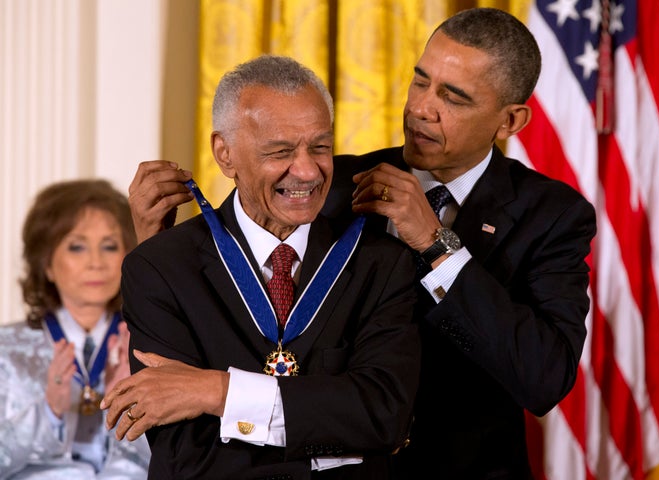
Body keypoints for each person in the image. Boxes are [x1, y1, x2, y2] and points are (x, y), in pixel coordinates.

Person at [120, 8, 597, 479]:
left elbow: (543, 377)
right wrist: (156, 247)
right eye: (420, 80)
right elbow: (229, 293)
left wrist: (437, 244)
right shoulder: (329, 180)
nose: (421, 107)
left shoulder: (552, 215)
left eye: (453, 97)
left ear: (510, 121)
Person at [102, 55, 420, 479]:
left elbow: (384, 417)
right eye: (281, 151)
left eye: (320, 146)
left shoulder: (382, 263)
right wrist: (330, 445)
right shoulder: (158, 267)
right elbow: (186, 457)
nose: (307, 170)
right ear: (225, 154)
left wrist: (217, 392)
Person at [0, 179, 150, 479]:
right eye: (77, 247)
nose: (96, 263)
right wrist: (48, 412)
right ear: (47, 264)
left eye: (109, 246)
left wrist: (135, 405)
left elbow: (179, 460)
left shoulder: (148, 345)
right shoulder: (7, 349)